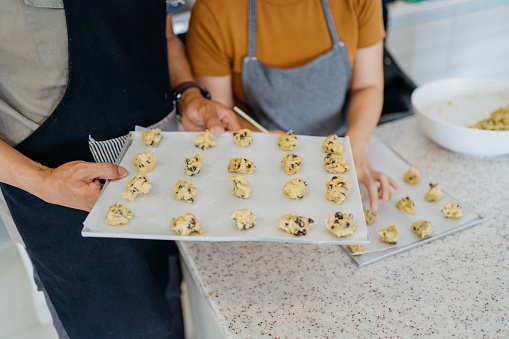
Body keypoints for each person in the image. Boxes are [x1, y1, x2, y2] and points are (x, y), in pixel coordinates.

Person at [0, 1, 240, 338]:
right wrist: (42, 180)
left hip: (162, 184)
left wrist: (188, 94)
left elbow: (165, 35)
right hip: (63, 210)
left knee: (166, 315)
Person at [186, 0, 399, 210]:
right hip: (263, 157)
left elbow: (368, 86)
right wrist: (266, 140)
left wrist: (355, 149)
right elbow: (220, 115)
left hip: (346, 141)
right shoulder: (214, 11)